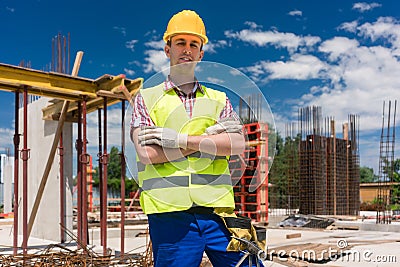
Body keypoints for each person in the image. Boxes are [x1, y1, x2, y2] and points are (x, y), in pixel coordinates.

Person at [130, 10, 260, 267]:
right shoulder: (146, 99)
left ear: (201, 53)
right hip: (169, 217)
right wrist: (209, 143)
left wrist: (176, 139)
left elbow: (237, 145)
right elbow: (147, 154)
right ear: (168, 49)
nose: (186, 50)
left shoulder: (219, 100)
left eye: (194, 44)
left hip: (219, 214)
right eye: (180, 42)